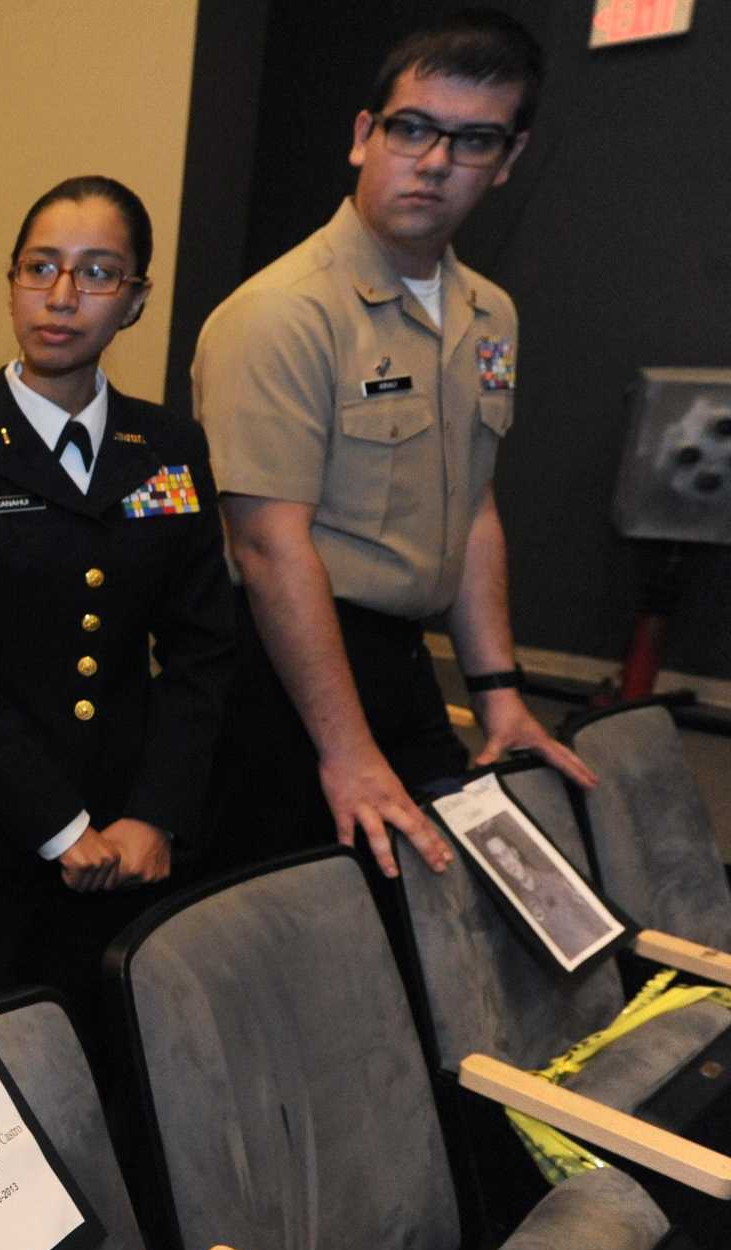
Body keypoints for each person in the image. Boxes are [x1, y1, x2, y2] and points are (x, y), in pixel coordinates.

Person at [193, 10, 593, 881]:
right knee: (288, 928)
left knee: (443, 899)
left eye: (474, 141)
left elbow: (475, 506)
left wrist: (497, 694)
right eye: (414, 129)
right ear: (364, 136)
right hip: (282, 678)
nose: (438, 161)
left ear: (507, 161)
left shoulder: (490, 313)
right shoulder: (282, 314)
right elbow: (267, 550)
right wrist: (346, 751)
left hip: (407, 664)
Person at [0, 176, 233, 1051]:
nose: (63, 296)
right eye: (41, 268)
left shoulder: (167, 449)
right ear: (11, 282)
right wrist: (59, 826)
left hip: (127, 847)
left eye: (98, 272)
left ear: (137, 300)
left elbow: (201, 649)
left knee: (100, 1069)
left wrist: (154, 812)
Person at [480, 827, 612, 959]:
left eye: (505, 853)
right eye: (498, 858)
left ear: (514, 853)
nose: (507, 863)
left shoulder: (555, 880)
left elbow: (597, 919)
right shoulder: (521, 905)